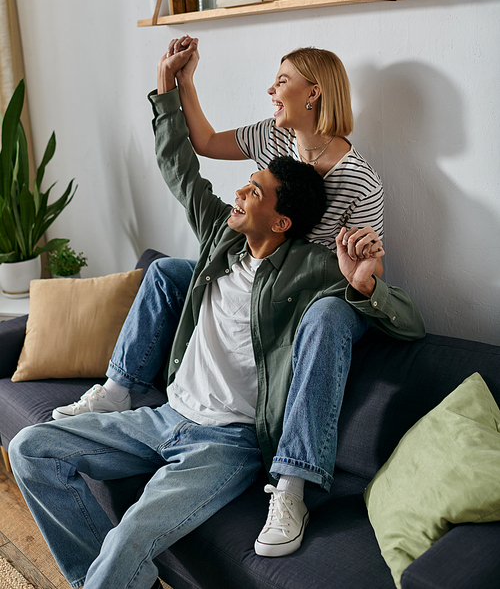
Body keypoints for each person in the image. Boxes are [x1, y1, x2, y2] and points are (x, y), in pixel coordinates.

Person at [10, 78, 425, 589]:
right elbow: (180, 169)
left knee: (129, 538)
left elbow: (410, 325)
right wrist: (167, 92)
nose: (239, 192)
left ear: (281, 220)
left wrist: (366, 285)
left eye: (254, 191)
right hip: (161, 417)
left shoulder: (314, 270)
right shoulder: (221, 241)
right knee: (30, 449)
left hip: (224, 444)